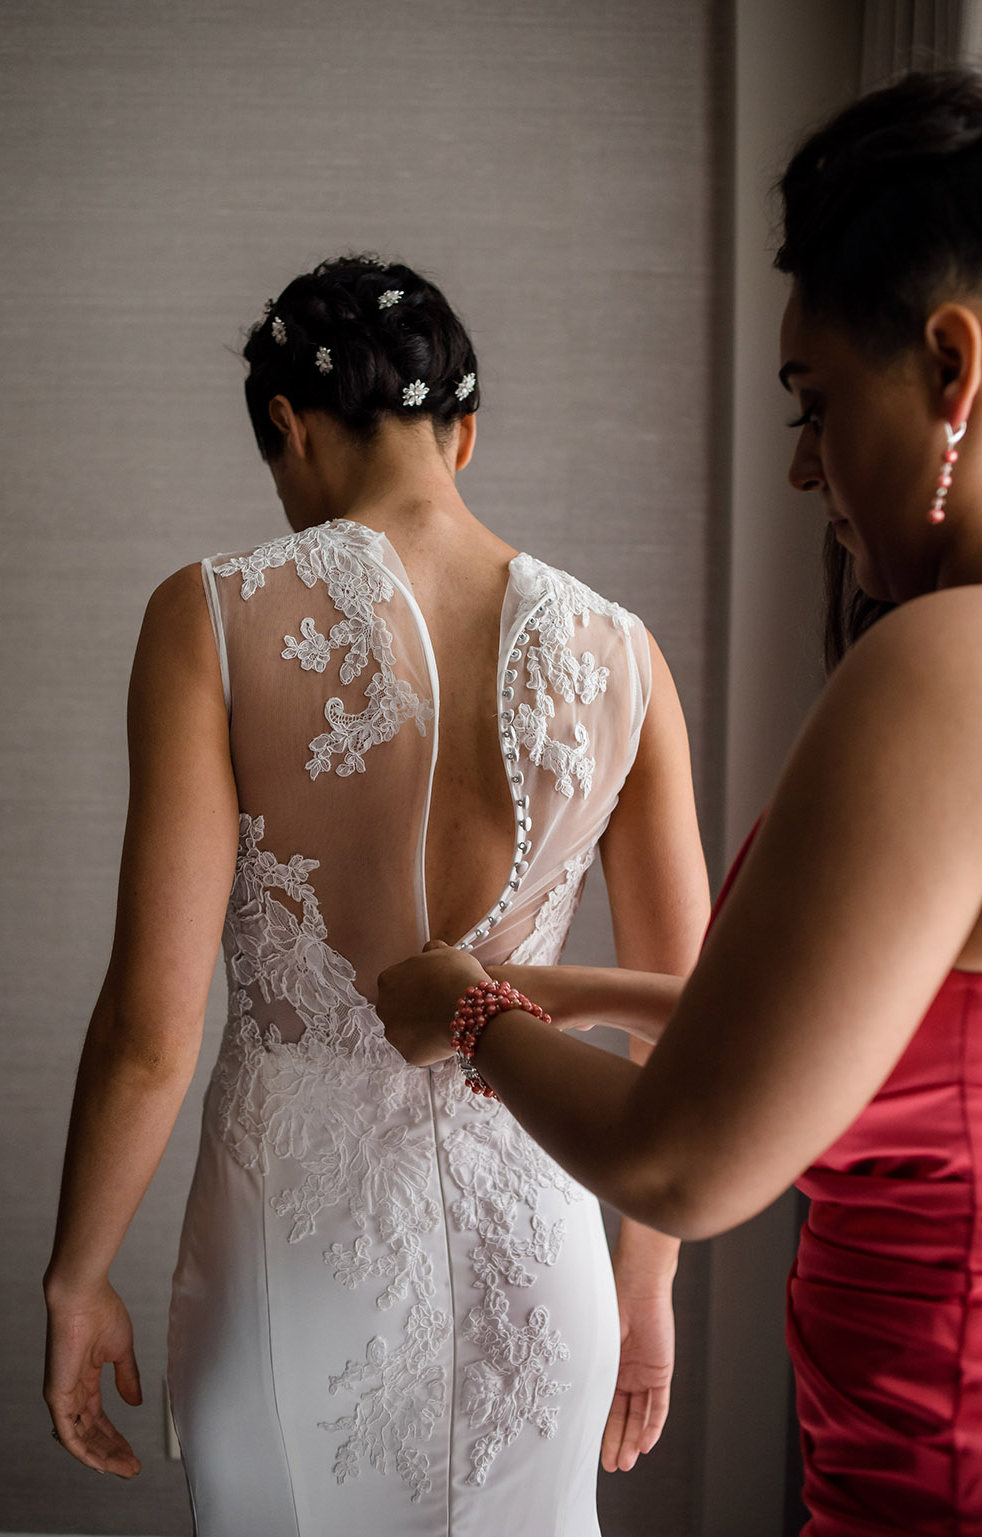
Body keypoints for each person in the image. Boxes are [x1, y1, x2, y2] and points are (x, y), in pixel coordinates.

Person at [379, 70, 982, 1536]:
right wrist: (575, 983)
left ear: (952, 370)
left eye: (815, 402)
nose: (802, 466)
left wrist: (469, 1005)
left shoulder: (945, 668)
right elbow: (894, 1040)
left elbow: (684, 1159)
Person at [42, 254, 710, 1535]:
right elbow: (686, 1014)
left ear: (288, 427)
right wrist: (645, 1280)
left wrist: (80, 1271)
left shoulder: (213, 617)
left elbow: (149, 1029)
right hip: (541, 1242)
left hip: (289, 1252)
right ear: (463, 433)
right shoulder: (623, 654)